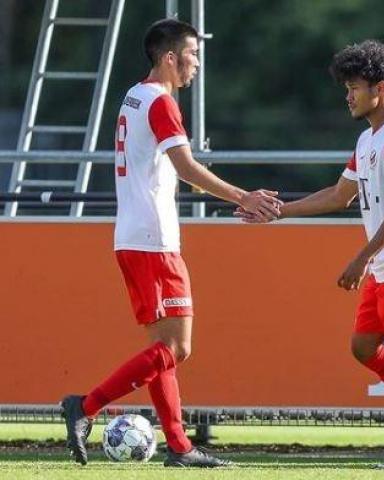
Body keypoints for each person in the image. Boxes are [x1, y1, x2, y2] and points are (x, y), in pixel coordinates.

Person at [60, 19, 281, 468]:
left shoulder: (132, 96)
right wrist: (244, 196)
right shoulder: (160, 101)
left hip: (132, 236)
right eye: (192, 55)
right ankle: (84, 406)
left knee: (163, 351)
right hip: (154, 240)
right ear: (169, 58)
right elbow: (185, 166)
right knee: (178, 347)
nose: (196, 64)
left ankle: (179, 447)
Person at [238, 40, 384, 470]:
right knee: (363, 347)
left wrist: (360, 259)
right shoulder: (367, 139)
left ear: (379, 88)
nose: (348, 95)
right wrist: (279, 212)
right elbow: (341, 194)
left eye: (353, 87)